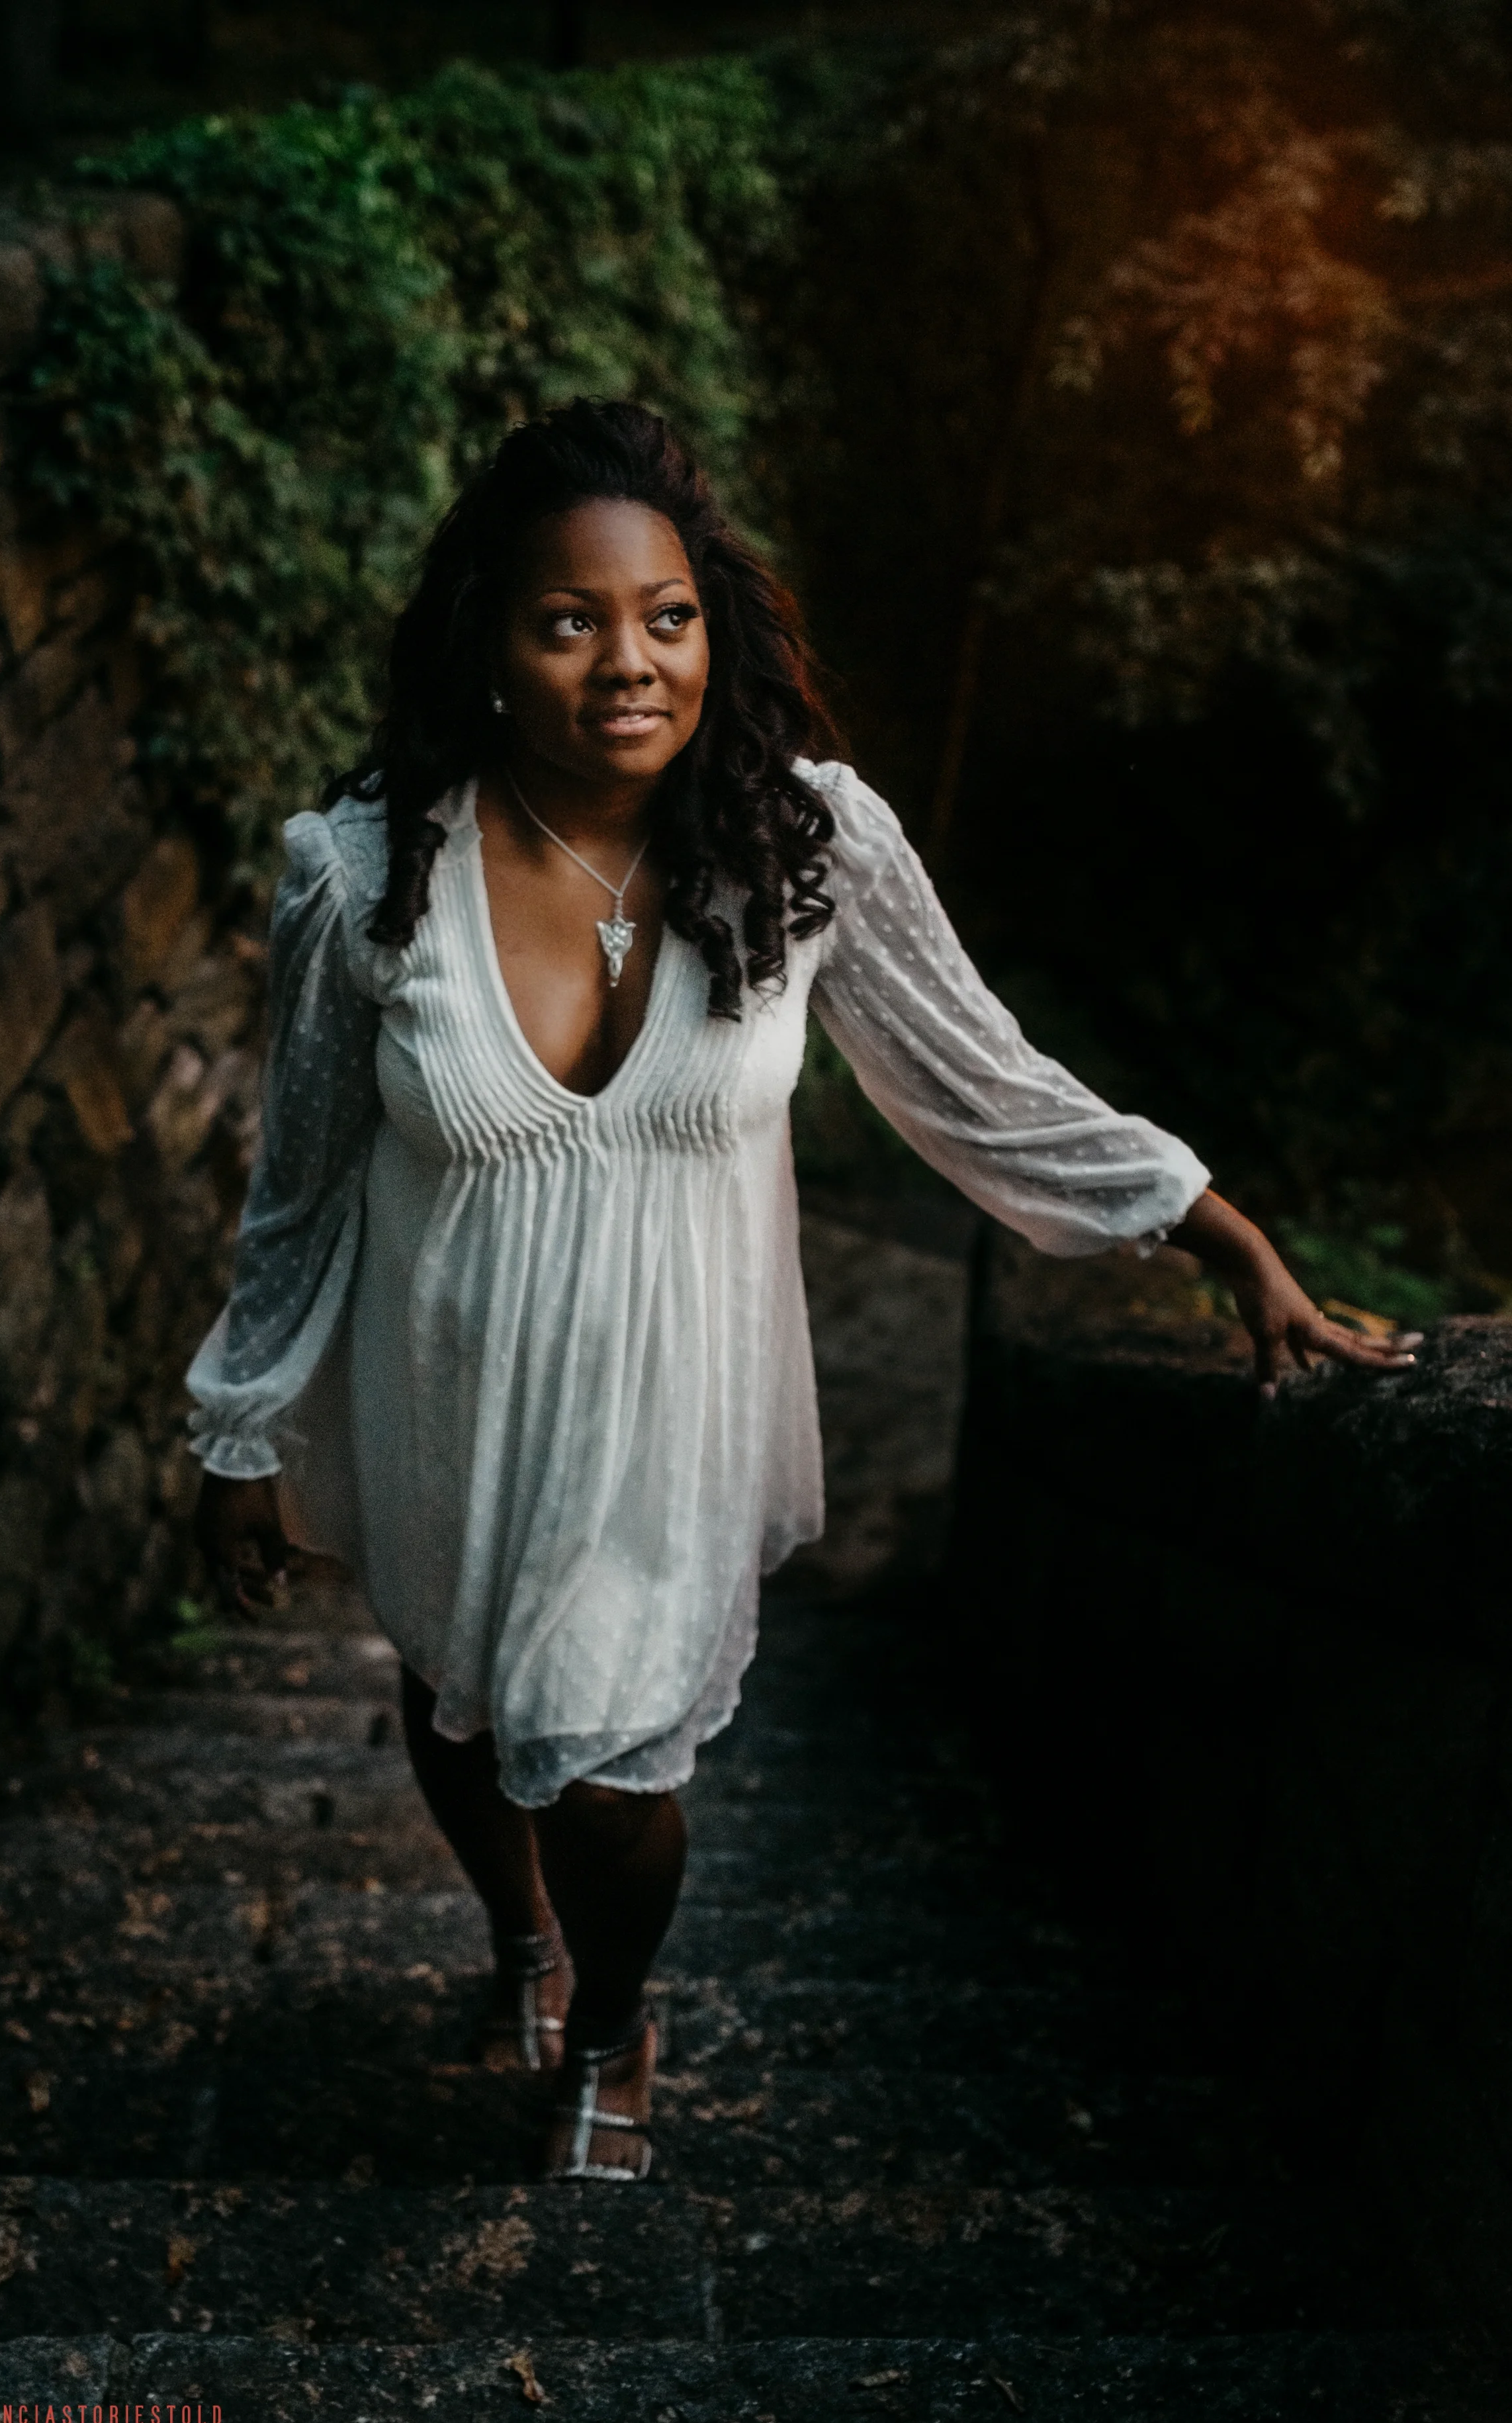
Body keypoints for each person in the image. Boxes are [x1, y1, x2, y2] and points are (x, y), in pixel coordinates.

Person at [187, 398, 1417, 2182]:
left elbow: (983, 1082)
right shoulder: (364, 870)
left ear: (715, 627)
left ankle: (612, 2017)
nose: (629, 661)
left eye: (667, 616)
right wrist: (240, 1425)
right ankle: (513, 1939)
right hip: (443, 1383)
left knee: (606, 1768)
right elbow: (300, 1180)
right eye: (570, 618)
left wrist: (1221, 1236)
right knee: (455, 1691)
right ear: (488, 641)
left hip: (674, 1409)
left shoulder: (803, 841)